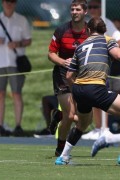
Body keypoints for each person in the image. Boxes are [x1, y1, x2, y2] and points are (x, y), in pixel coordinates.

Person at [55, 17, 120, 165]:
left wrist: (76, 92)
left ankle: (63, 157)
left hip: (79, 89)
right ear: (104, 30)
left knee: (82, 125)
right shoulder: (107, 40)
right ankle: (109, 138)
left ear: (89, 31)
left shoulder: (80, 46)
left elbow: (69, 75)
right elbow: (117, 55)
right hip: (95, 88)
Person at [0, 0, 32, 137]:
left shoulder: (22, 20)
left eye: (11, 1)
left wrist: (19, 43)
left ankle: (18, 126)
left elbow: (28, 40)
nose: (9, 4)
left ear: (15, 3)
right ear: (2, 3)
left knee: (17, 93)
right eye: (6, 1)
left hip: (15, 62)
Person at [48, 0, 88, 156]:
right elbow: (51, 54)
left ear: (85, 12)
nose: (74, 12)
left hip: (83, 75)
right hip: (62, 75)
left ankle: (57, 115)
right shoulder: (61, 30)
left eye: (78, 9)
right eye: (72, 9)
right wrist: (63, 62)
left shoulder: (91, 32)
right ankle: (60, 150)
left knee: (82, 118)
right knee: (70, 115)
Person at [81, 0, 120, 140]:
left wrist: (107, 51)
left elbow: (118, 39)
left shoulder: (106, 22)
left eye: (95, 7)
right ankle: (99, 127)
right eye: (89, 7)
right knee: (94, 96)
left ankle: (104, 128)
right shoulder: (86, 21)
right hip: (90, 66)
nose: (92, 9)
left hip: (103, 66)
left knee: (102, 96)